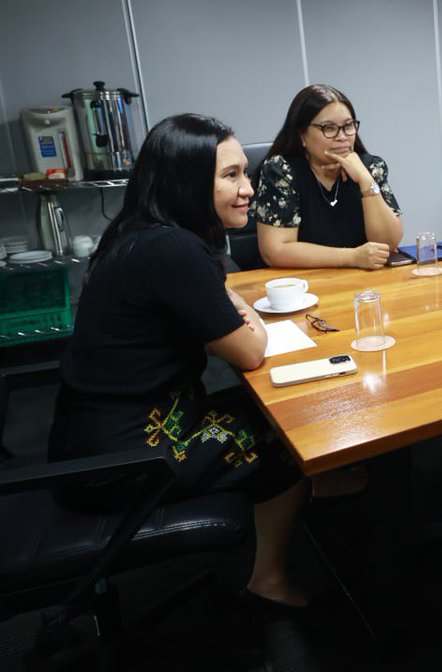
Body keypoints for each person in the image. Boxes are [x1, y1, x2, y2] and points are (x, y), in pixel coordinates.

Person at [50, 114, 361, 609]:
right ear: (187, 182)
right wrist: (242, 314)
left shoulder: (140, 232)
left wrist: (229, 305)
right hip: (126, 460)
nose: (248, 188)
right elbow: (250, 348)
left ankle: (317, 483)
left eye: (245, 173)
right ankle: (269, 579)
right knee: (287, 431)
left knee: (266, 403)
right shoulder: (172, 249)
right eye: (231, 176)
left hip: (92, 435)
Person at [253, 84, 404, 270]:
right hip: (300, 286)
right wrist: (351, 257)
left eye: (348, 126)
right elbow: (275, 251)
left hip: (363, 283)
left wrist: (366, 181)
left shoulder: (370, 167)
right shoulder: (282, 171)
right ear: (302, 135)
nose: (342, 137)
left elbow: (387, 244)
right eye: (329, 128)